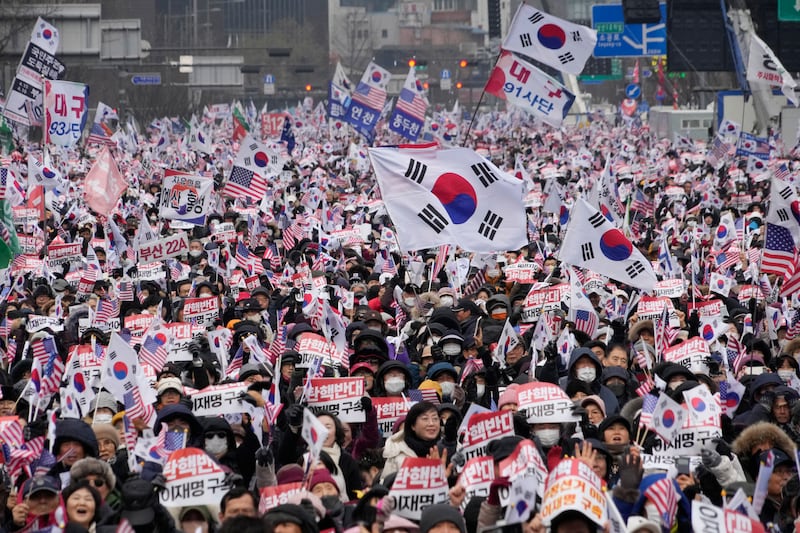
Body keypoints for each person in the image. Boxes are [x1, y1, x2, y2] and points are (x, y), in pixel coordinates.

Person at [381, 401, 441, 482]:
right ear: (413, 425)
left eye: (435, 419)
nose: (431, 423)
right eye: (425, 419)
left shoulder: (449, 448)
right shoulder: (396, 450)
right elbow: (385, 484)